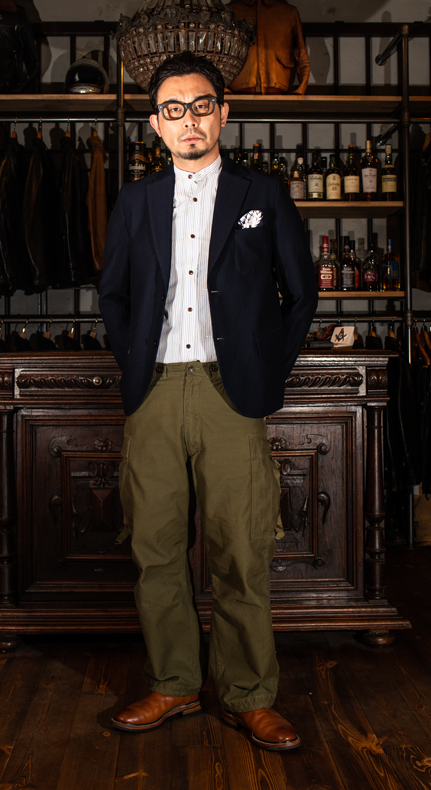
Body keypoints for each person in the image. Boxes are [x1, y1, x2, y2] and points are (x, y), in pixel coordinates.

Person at [99, 51, 318, 752]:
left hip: (234, 393)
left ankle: (249, 694)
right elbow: (113, 295)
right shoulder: (134, 201)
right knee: (154, 546)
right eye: (173, 109)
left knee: (241, 550)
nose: (188, 120)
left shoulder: (263, 193)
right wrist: (135, 362)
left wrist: (268, 367)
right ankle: (174, 683)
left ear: (223, 113)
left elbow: (301, 292)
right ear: (156, 124)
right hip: (156, 391)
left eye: (200, 106)